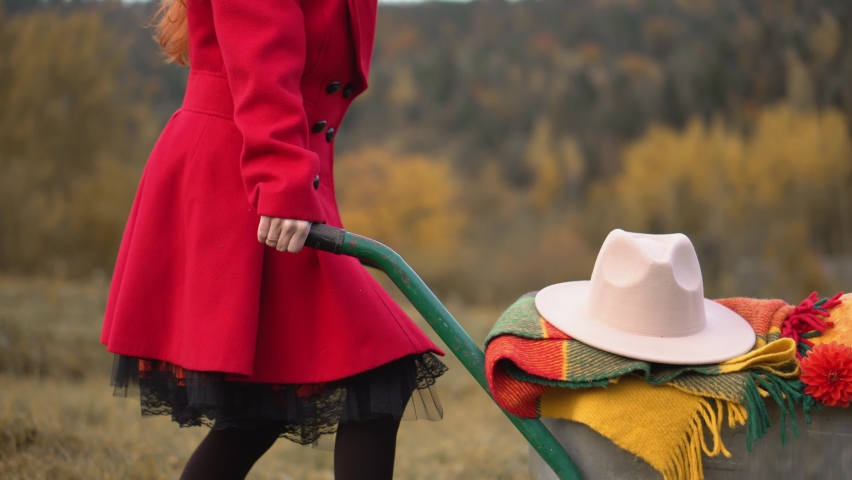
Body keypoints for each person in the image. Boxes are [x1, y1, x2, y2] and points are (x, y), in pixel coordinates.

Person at [99, 0, 447, 479]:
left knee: (266, 400)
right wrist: (283, 181)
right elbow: (262, 61)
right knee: (378, 367)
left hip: (278, 171)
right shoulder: (273, 171)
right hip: (245, 171)